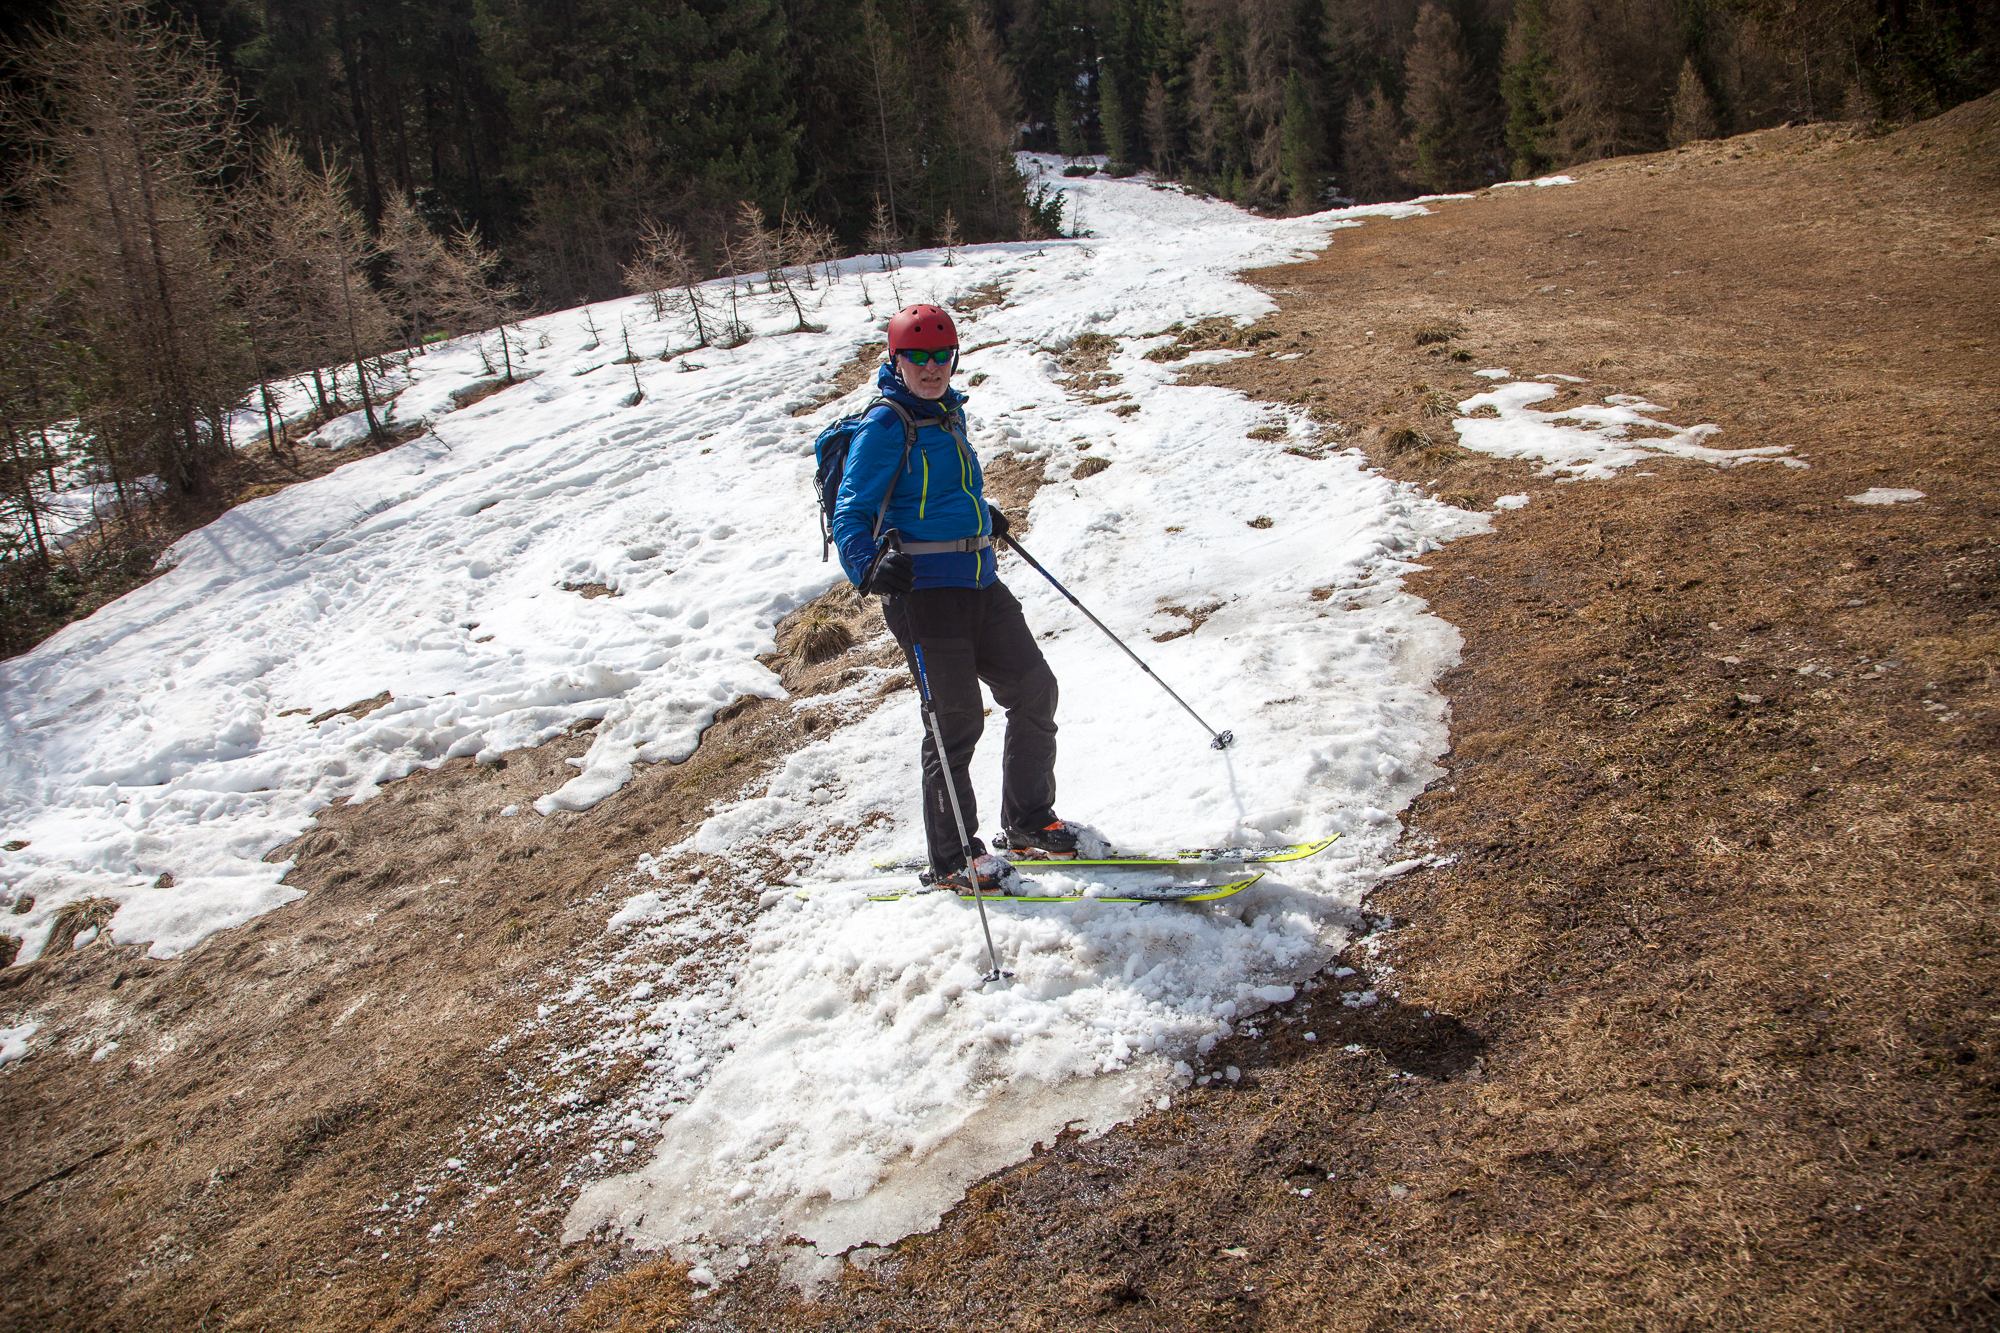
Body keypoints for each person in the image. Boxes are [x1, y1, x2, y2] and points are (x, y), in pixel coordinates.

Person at [830, 303, 1079, 893]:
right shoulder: (887, 424)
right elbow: (852, 511)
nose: (931, 366)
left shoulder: (948, 412)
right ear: (896, 360)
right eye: (917, 357)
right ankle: (952, 859)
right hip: (924, 593)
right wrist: (868, 565)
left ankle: (1026, 823)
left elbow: (942, 487)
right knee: (955, 722)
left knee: (1034, 688)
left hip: (979, 579)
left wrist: (979, 514)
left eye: (942, 355)